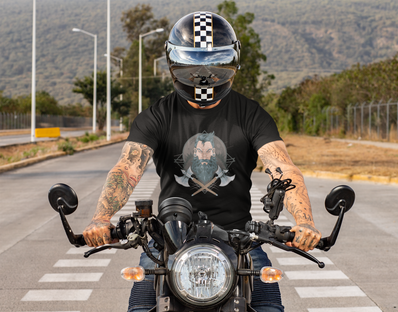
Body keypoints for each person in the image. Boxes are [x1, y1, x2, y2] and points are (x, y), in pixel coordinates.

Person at [83, 11, 321, 312]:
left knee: (269, 308)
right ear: (174, 65)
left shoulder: (251, 114)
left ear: (231, 63)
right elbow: (128, 167)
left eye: (214, 64)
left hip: (240, 237)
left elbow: (283, 167)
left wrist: (305, 222)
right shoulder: (156, 116)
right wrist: (101, 218)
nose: (204, 75)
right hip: (169, 237)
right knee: (141, 308)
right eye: (192, 65)